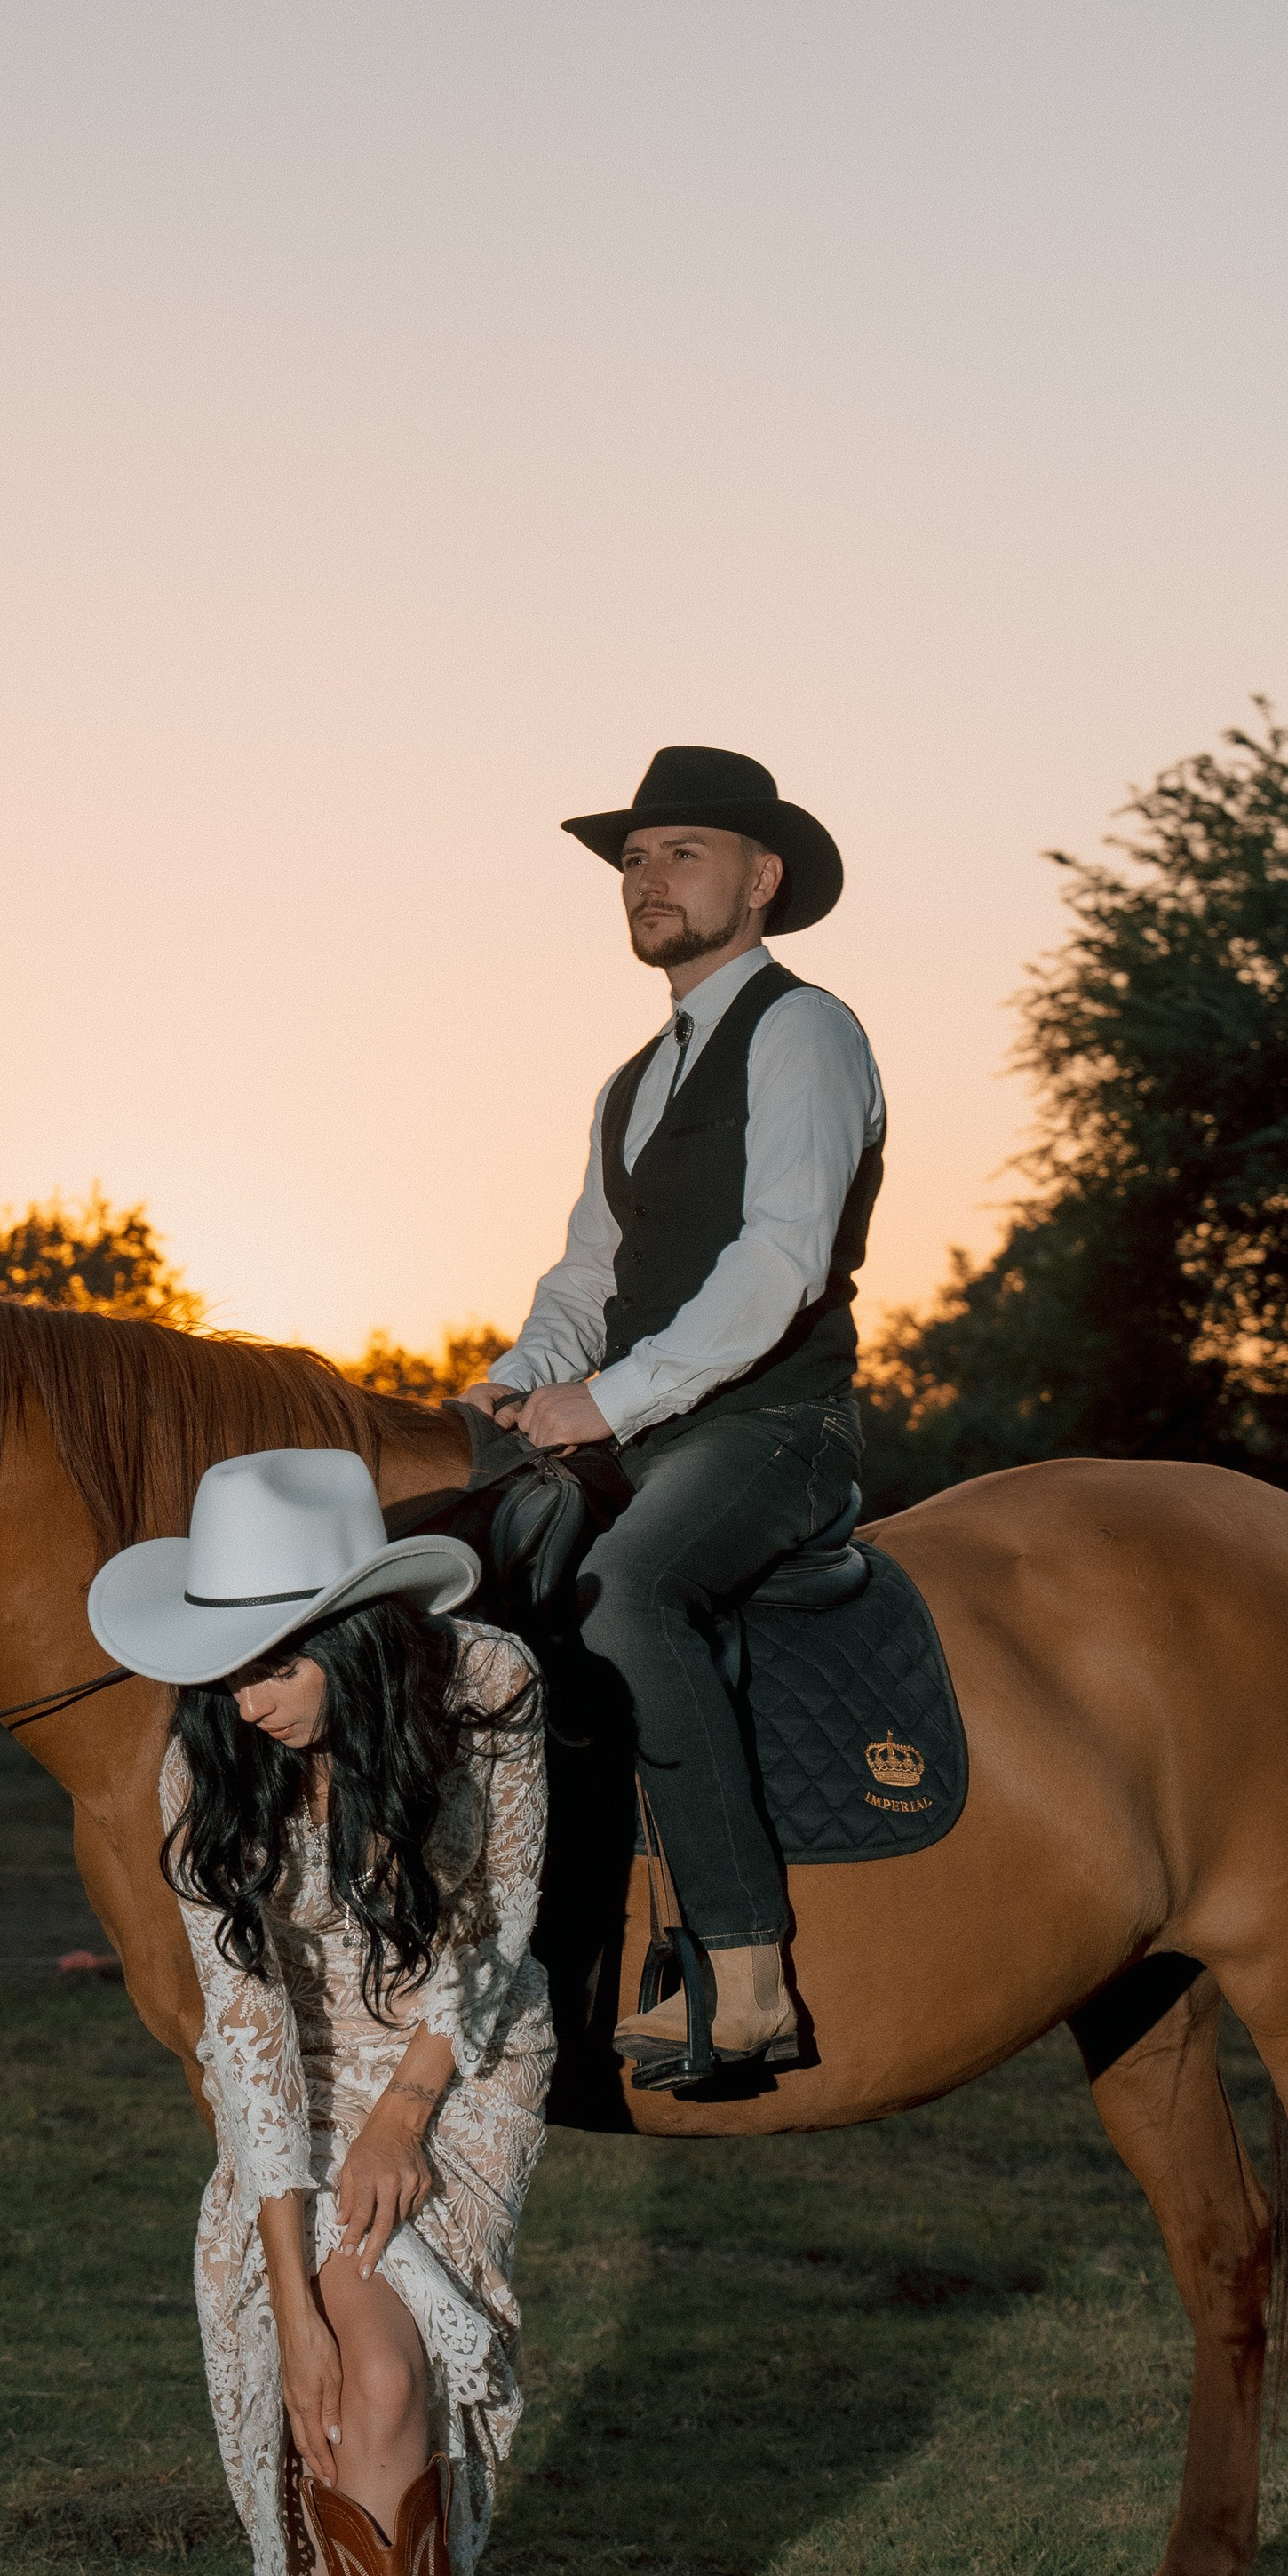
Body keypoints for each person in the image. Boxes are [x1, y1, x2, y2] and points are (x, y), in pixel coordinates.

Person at [85, 1448, 550, 2576]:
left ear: (354, 1635)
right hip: (297, 2101)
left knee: (382, 2386)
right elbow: (248, 2033)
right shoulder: (200, 1753)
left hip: (461, 2060)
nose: (247, 1690)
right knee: (339, 2389)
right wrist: (287, 2292)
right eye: (225, 1654)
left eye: (276, 1656)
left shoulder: (485, 1687)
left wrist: (412, 2111)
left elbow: (498, 1927)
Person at [459, 745, 883, 2081]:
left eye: (679, 853)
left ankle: (744, 1972)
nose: (646, 879)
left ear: (760, 880)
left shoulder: (806, 1029)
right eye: (633, 861)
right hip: (639, 1426)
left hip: (773, 1427)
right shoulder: (632, 1079)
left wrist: (615, 1398)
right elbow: (587, 1273)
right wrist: (530, 1375)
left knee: (627, 1592)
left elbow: (780, 1258)